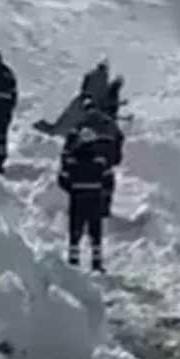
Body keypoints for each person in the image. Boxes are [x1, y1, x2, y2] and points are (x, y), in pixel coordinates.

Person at [58, 97, 122, 271]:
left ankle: (73, 260)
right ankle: (96, 262)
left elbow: (62, 179)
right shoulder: (100, 158)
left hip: (77, 198)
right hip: (94, 197)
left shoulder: (73, 156)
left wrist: (72, 188)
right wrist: (103, 193)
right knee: (95, 229)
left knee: (75, 229)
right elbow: (107, 176)